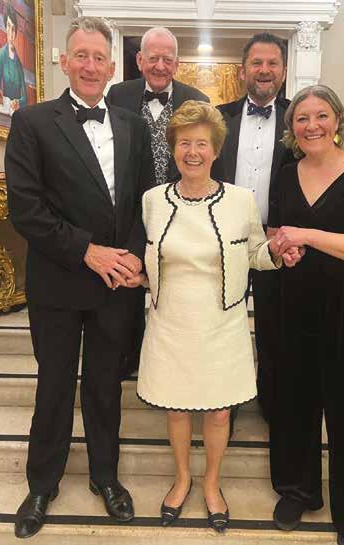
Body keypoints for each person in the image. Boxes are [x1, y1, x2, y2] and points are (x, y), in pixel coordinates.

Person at [5, 17, 153, 539]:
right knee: (54, 385)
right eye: (81, 55)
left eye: (99, 57)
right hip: (59, 280)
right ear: (64, 62)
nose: (90, 66)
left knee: (106, 386)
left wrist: (134, 257)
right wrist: (87, 251)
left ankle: (105, 476)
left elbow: (146, 202)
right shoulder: (31, 121)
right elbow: (26, 209)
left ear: (112, 67)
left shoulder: (134, 126)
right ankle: (41, 484)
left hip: (117, 285)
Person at [125, 101, 302, 532]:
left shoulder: (241, 201)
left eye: (201, 144)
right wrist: (136, 274)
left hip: (222, 323)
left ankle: (211, 483)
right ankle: (182, 478)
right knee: (177, 410)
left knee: (220, 413)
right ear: (174, 148)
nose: (193, 152)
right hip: (171, 321)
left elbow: (255, 254)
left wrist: (277, 254)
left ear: (216, 150)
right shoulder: (152, 201)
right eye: (184, 143)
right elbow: (143, 258)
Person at [267, 85, 344, 545]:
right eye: (302, 118)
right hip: (296, 300)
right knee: (295, 398)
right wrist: (282, 249)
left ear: (338, 120)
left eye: (321, 115)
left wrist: (308, 235)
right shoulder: (286, 175)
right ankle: (297, 491)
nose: (312, 125)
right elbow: (275, 231)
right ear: (292, 129)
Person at [108, 27, 209, 378]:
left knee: (175, 286)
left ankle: (173, 361)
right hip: (128, 212)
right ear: (140, 60)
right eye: (153, 58)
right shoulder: (117, 95)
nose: (160, 66)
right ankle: (128, 357)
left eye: (168, 59)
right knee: (127, 288)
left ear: (177, 64)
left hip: (179, 212)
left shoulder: (197, 99)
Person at [213, 32, 294, 427]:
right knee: (222, 321)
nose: (264, 70)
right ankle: (222, 401)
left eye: (272, 63)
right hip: (224, 237)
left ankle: (273, 401)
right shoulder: (218, 116)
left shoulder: (299, 118)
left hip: (276, 239)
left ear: (283, 71)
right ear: (242, 71)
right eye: (257, 63)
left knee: (274, 325)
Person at [0, 1, 27, 111]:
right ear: (5, 27)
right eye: (8, 26)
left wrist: (19, 102)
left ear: (16, 32)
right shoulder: (2, 54)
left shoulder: (19, 65)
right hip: (4, 108)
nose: (10, 32)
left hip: (16, 112)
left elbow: (25, 98)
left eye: (13, 29)